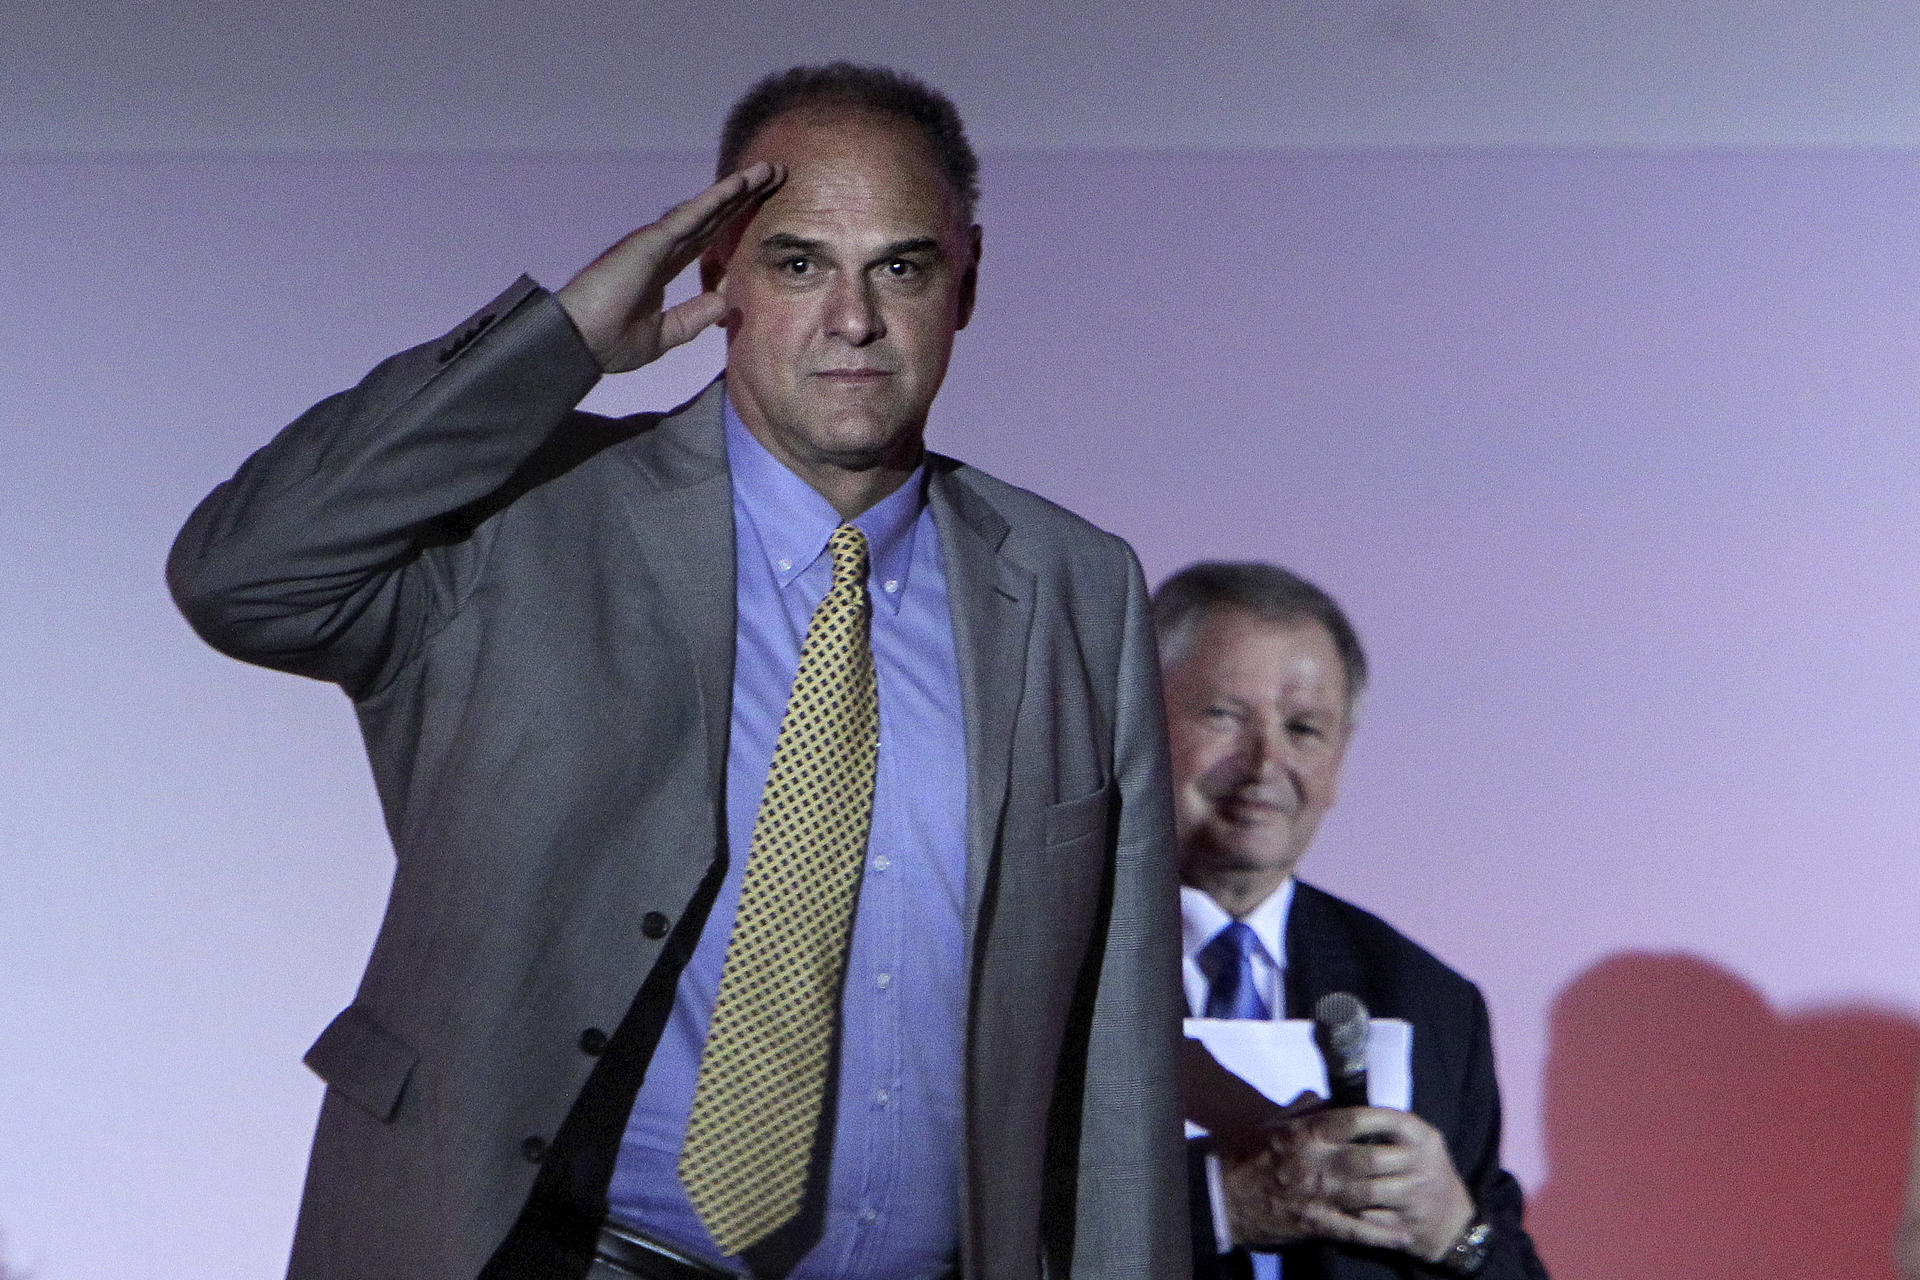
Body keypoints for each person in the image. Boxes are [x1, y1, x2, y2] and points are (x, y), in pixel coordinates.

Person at [169, 64, 1186, 1280]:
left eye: (900, 267)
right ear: (717, 273)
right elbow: (242, 574)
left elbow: (1117, 1055)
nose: (852, 319)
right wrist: (555, 346)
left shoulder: (1075, 584)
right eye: (800, 262)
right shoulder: (524, 521)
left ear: (968, 276)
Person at [1153, 562, 1547, 1279]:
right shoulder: (1024, 966)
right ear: (1134, 721)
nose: (1264, 763)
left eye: (1305, 728)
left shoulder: (1429, 1002)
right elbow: (948, 1228)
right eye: (1224, 716)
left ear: (1337, 767)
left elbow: (1507, 1261)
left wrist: (1453, 1231)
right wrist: (1216, 1203)